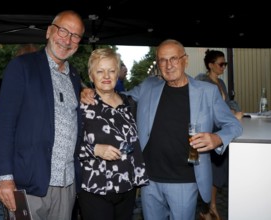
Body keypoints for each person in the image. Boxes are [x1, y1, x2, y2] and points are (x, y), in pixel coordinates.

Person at [81, 39, 243, 220]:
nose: (168, 65)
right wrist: (87, 91)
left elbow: (233, 125)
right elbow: (115, 96)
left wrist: (217, 138)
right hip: (149, 181)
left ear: (185, 60)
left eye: (174, 58)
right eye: (162, 60)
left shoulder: (207, 92)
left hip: (184, 180)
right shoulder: (149, 86)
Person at [0, 10, 85, 220]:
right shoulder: (22, 67)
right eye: (63, 31)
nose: (67, 39)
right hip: (29, 182)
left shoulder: (73, 75)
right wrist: (4, 178)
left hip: (67, 183)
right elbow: (5, 125)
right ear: (49, 32)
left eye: (75, 35)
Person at [78, 48, 149, 220]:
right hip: (95, 188)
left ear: (118, 74)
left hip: (127, 187)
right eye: (100, 71)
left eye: (111, 70)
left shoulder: (129, 104)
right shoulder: (81, 106)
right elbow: (66, 143)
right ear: (91, 75)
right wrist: (95, 150)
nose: (106, 76)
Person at [195, 49, 243, 220]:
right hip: (209, 135)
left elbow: (229, 102)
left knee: (218, 174)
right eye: (221, 64)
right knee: (209, 174)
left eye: (225, 64)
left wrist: (233, 111)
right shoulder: (201, 82)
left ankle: (210, 207)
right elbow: (201, 109)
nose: (224, 67)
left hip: (220, 134)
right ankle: (207, 209)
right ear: (210, 65)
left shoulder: (221, 83)